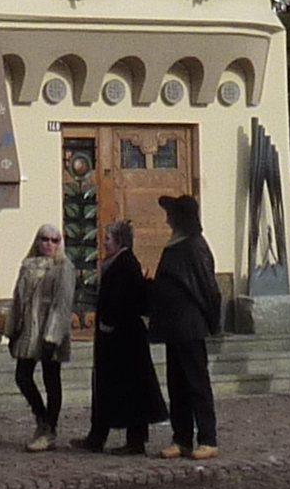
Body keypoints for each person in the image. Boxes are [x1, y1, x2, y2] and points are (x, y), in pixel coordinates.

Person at [74, 223, 165, 455]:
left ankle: (132, 441)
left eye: (108, 238)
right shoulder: (118, 263)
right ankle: (98, 436)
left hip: (124, 341)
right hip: (117, 339)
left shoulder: (125, 264)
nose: (104, 242)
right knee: (109, 387)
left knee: (130, 389)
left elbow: (125, 300)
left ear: (119, 241)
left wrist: (109, 323)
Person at [150, 191, 222, 461]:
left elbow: (208, 288)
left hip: (190, 326)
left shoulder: (194, 246)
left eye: (171, 214)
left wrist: (213, 322)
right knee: (177, 384)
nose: (167, 220)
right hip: (174, 327)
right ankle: (181, 438)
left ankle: (207, 437)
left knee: (197, 383)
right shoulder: (177, 243)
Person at [3, 227, 73, 451]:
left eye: (55, 240)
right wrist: (12, 329)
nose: (49, 244)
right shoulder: (27, 266)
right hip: (28, 330)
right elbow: (17, 300)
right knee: (23, 377)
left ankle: (49, 428)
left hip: (50, 329)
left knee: (52, 379)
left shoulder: (63, 268)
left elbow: (62, 305)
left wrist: (52, 336)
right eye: (45, 239)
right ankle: (42, 418)